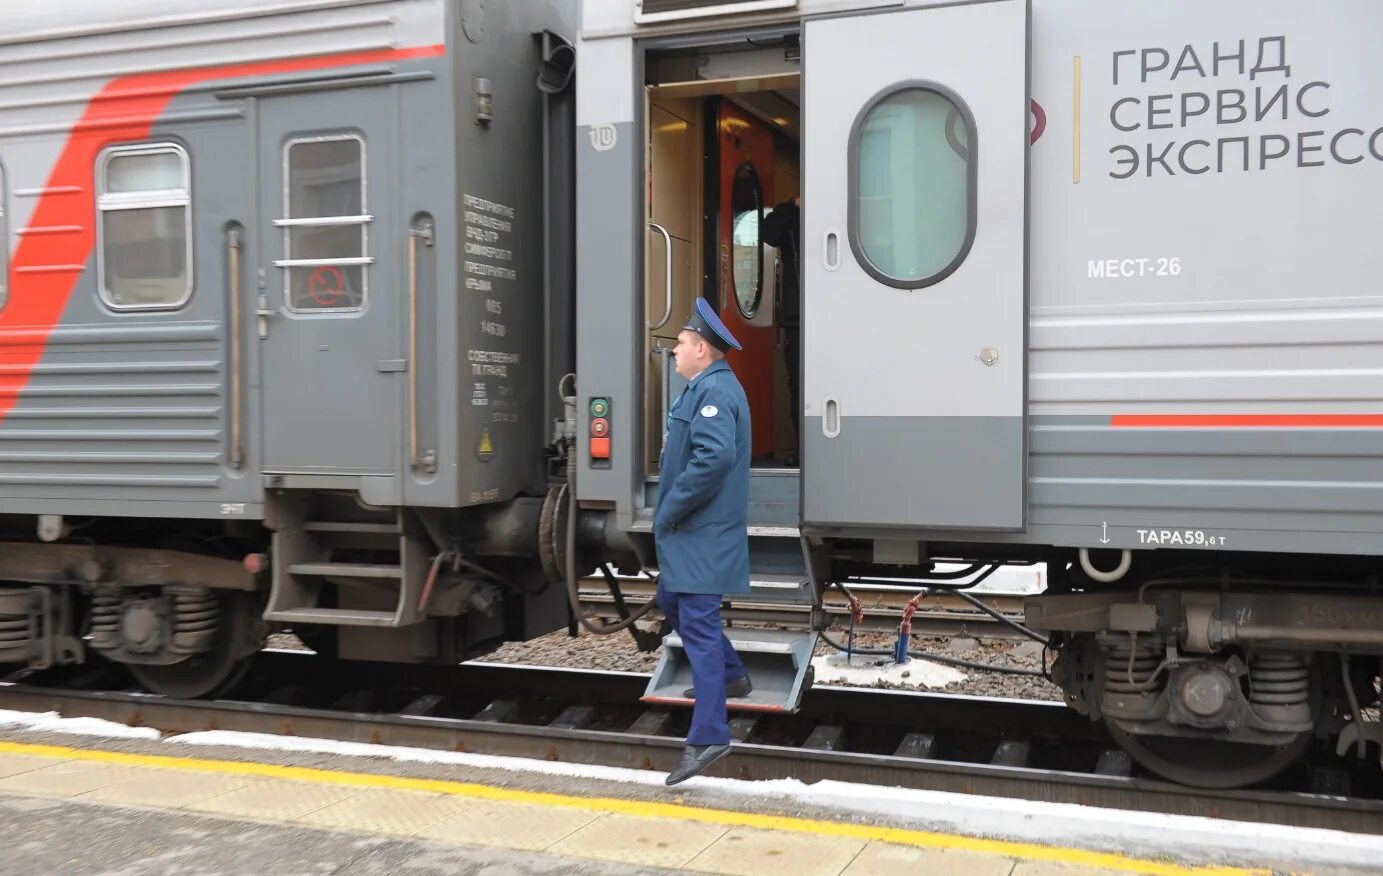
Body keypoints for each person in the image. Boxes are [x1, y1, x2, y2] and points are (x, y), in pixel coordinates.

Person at [655, 297, 753, 786]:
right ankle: (732, 674)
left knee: (696, 621)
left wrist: (670, 507)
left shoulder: (713, 393)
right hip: (695, 535)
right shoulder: (705, 387)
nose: (674, 350)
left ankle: (709, 735)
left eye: (680, 343)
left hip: (701, 532)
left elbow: (713, 458)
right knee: (670, 599)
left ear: (701, 348)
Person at [760, 196, 800, 463]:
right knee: (799, 384)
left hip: (836, 312)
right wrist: (793, 206)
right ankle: (804, 448)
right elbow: (768, 233)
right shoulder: (789, 215)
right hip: (798, 315)